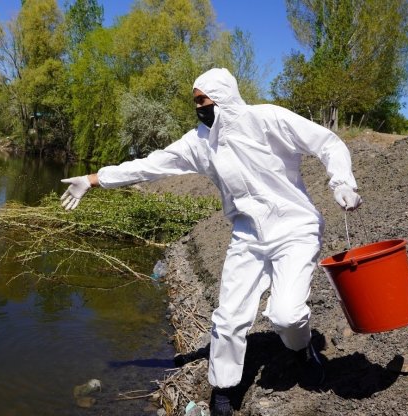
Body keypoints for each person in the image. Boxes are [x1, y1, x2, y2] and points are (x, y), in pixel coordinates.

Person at [59, 68, 361, 416]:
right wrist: (93, 180)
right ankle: (224, 391)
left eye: (202, 99)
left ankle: (301, 349)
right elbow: (150, 165)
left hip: (294, 228)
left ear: (224, 95)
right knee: (228, 318)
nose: (199, 107)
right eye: (195, 102)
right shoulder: (199, 143)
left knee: (286, 314)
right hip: (247, 236)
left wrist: (341, 182)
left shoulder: (267, 119)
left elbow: (327, 142)